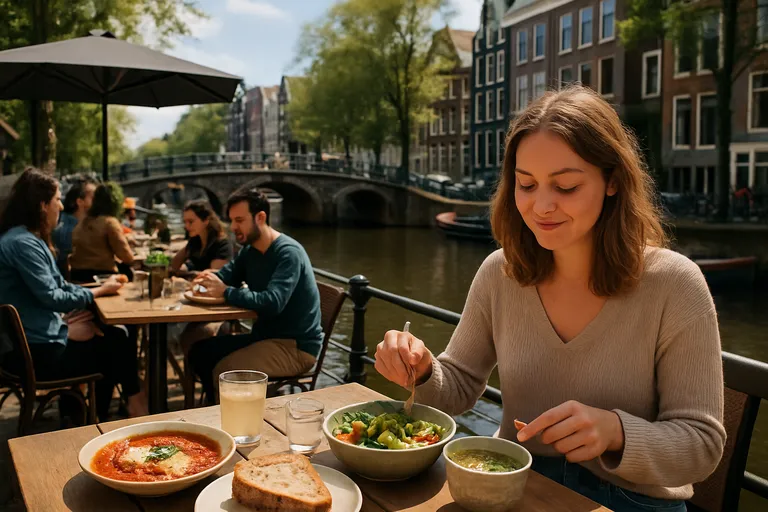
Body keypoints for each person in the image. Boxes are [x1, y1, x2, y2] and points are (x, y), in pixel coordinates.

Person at [374, 87, 725, 512]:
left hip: (632, 500)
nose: (542, 205)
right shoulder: (499, 273)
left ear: (613, 180)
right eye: (527, 184)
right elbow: (459, 386)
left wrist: (616, 432)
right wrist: (424, 368)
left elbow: (702, 447)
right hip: (513, 484)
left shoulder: (675, 284)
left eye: (566, 186)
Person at [0, 168, 146, 421]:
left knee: (110, 335)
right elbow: (51, 297)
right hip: (33, 354)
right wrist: (94, 296)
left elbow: (59, 288)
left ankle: (87, 415)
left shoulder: (24, 239)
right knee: (117, 342)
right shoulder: (23, 243)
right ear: (43, 205)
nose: (61, 205)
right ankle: (130, 409)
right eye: (57, 199)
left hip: (35, 341)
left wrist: (65, 321)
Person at [188, 187, 323, 403]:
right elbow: (226, 276)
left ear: (260, 217)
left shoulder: (288, 253)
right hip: (265, 338)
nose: (233, 227)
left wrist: (226, 292)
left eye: (239, 220)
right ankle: (211, 412)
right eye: (231, 220)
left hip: (294, 347)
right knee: (200, 353)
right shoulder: (250, 251)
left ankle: (224, 425)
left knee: (224, 372)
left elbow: (273, 302)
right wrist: (206, 280)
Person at [69, 183, 135, 283]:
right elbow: (126, 256)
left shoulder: (82, 222)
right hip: (102, 277)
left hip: (76, 275)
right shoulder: (110, 222)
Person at [52, 177, 97, 273]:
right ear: (80, 202)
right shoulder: (67, 231)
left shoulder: (84, 224)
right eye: (94, 198)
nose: (99, 202)